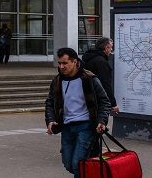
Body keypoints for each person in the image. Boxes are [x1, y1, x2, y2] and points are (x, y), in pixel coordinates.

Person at [45, 47, 111, 178]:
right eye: (59, 63)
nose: (61, 66)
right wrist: (50, 120)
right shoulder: (57, 81)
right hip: (67, 127)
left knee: (77, 164)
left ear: (74, 62)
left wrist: (101, 121)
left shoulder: (89, 79)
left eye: (65, 63)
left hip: (86, 126)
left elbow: (104, 101)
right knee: (68, 164)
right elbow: (50, 102)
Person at [81, 37, 119, 115]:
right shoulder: (101, 62)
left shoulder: (89, 58)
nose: (111, 50)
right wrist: (113, 103)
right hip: (98, 100)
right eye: (111, 47)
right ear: (106, 48)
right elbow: (105, 83)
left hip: (87, 98)